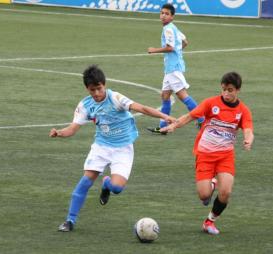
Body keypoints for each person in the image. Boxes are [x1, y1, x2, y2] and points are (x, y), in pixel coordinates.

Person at [49, 65, 176, 232]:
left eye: (99, 88)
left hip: (123, 149)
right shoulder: (85, 105)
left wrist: (165, 116)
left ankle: (107, 184)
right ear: (87, 88)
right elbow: (72, 128)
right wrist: (59, 132)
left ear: (105, 85)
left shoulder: (116, 98)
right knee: (85, 181)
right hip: (101, 147)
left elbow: (142, 108)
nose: (96, 93)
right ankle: (70, 221)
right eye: (92, 90)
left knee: (117, 188)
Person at [161, 72, 254, 235]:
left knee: (226, 192)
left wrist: (248, 140)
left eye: (230, 90)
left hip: (225, 156)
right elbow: (190, 116)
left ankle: (209, 221)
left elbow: (248, 129)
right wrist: (174, 125)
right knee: (204, 196)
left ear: (238, 90)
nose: (226, 93)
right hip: (205, 154)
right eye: (224, 89)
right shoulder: (211, 103)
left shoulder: (243, 110)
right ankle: (211, 183)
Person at [147, 3, 203, 134]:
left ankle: (202, 119)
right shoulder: (174, 28)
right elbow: (185, 42)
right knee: (165, 96)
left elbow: (170, 47)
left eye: (167, 14)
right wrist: (179, 53)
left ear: (172, 17)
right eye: (162, 13)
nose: (163, 16)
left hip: (173, 68)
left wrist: (154, 50)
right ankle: (163, 127)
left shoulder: (168, 29)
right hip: (171, 68)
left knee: (182, 96)